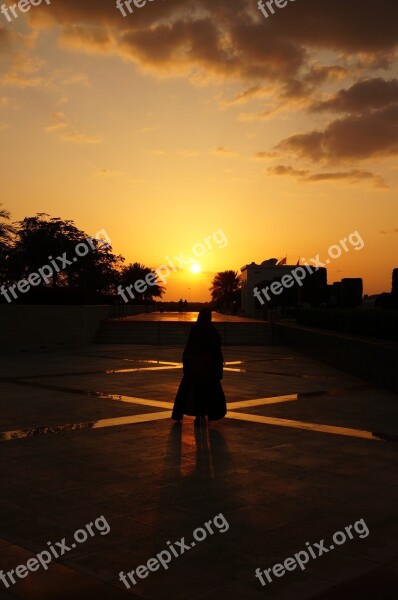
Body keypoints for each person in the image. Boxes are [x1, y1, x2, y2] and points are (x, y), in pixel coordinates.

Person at [172, 308, 227, 426]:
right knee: (208, 392)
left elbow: (189, 346)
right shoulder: (213, 331)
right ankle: (205, 414)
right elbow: (217, 351)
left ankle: (198, 415)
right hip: (208, 369)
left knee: (194, 392)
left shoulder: (195, 329)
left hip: (195, 367)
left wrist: (187, 362)